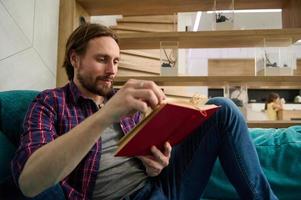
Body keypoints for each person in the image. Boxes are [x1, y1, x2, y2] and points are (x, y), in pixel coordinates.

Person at [11, 23, 278, 200]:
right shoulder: (49, 103)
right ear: (74, 59)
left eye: (115, 61)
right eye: (102, 59)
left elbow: (154, 159)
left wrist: (157, 165)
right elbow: (31, 181)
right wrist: (105, 115)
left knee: (224, 108)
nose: (112, 71)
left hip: (159, 189)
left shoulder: (128, 102)